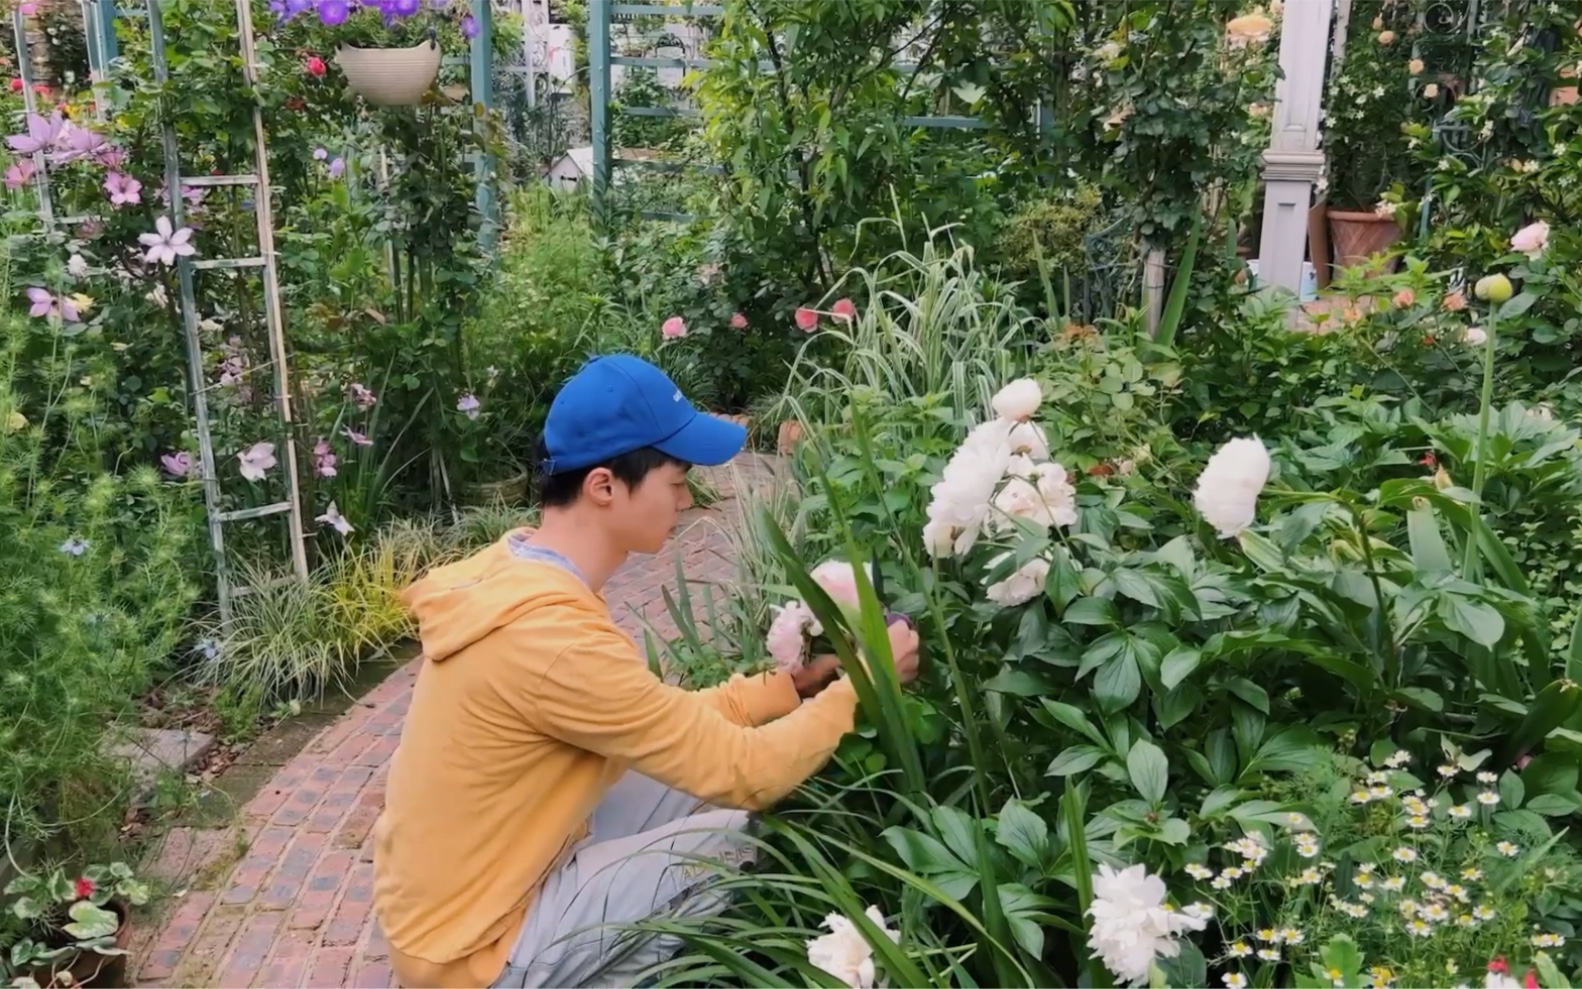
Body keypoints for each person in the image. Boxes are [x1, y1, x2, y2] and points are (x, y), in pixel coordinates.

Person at [372, 354, 922, 989]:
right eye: (678, 479)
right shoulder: (548, 639)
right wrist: (866, 688)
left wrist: (791, 688)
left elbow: (674, 728)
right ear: (605, 486)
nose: (689, 498)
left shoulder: (521, 574)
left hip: (474, 895)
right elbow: (746, 774)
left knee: (679, 780)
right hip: (476, 952)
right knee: (731, 840)